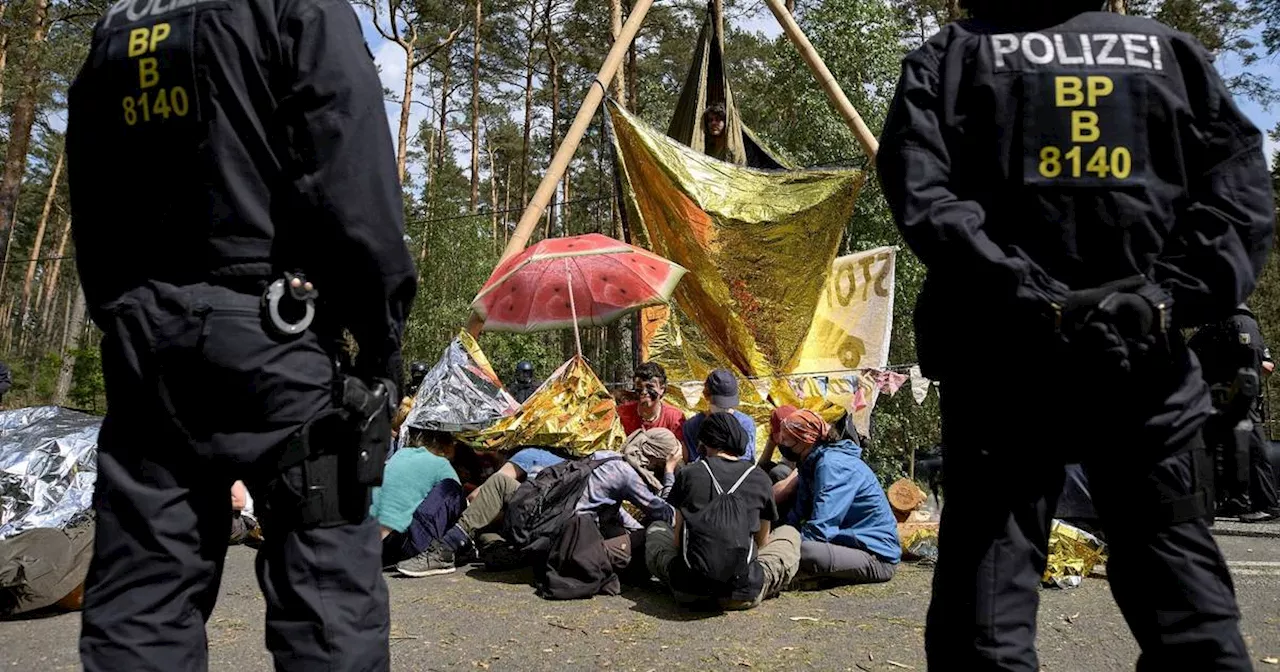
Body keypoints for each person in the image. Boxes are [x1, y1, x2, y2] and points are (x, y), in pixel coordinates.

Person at [877, 2, 1274, 670]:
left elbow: (925, 196)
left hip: (1002, 374)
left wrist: (1027, 293)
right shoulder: (1173, 56)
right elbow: (1239, 201)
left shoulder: (951, 59)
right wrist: (1160, 297)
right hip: (1141, 368)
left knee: (986, 626)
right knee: (1190, 621)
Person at [65, 0, 416, 666]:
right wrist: (380, 344)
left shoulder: (120, 22)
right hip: (277, 335)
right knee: (327, 599)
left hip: (149, 345)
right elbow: (351, 173)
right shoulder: (298, 6)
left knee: (143, 595)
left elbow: (89, 177)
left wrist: (123, 312)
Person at [413, 437, 678, 576]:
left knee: (499, 484)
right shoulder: (624, 473)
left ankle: (454, 546)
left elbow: (606, 507)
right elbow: (664, 513)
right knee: (649, 532)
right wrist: (669, 473)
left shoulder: (602, 458)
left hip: (538, 523)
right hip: (562, 537)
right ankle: (483, 547)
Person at [646, 412, 799, 610]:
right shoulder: (760, 477)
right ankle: (754, 584)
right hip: (743, 592)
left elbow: (677, 542)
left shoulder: (688, 474)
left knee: (657, 529)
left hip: (689, 591)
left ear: (705, 441)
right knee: (790, 534)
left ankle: (685, 582)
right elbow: (762, 543)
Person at [771, 409, 899, 586]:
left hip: (876, 557)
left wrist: (781, 547)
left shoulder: (833, 466)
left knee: (803, 549)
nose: (781, 443)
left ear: (805, 439)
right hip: (846, 544)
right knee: (783, 541)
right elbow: (797, 515)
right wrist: (776, 537)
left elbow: (821, 529)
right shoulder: (809, 464)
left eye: (786, 439)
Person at [1189, 304, 1279, 522]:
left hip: (1239, 398)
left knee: (1252, 450)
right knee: (1222, 453)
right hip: (1213, 400)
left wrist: (1239, 393)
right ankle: (1236, 500)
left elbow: (1258, 362)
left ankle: (1266, 504)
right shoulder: (1211, 327)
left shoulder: (1240, 321)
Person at [375, 429, 466, 574]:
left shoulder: (400, 454)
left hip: (377, 543)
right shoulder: (442, 464)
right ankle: (436, 553)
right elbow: (461, 509)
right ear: (447, 446)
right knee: (452, 489)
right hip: (407, 546)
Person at [682, 369, 757, 463]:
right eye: (720, 404)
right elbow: (694, 462)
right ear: (706, 396)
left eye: (728, 405)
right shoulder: (692, 426)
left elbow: (747, 460)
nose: (724, 409)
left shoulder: (746, 423)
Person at [617, 362, 687, 437]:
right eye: (639, 386)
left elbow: (681, 447)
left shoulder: (674, 417)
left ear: (662, 389)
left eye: (650, 387)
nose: (644, 392)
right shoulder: (622, 414)